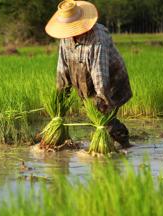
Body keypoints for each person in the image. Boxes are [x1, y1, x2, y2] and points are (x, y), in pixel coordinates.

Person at [45, 0, 133, 148]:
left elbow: (100, 75)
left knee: (105, 120)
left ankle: (125, 144)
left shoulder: (97, 38)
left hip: (111, 82)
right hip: (87, 83)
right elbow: (62, 69)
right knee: (97, 118)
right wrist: (59, 102)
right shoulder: (66, 38)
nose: (71, 33)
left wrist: (102, 102)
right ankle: (109, 145)